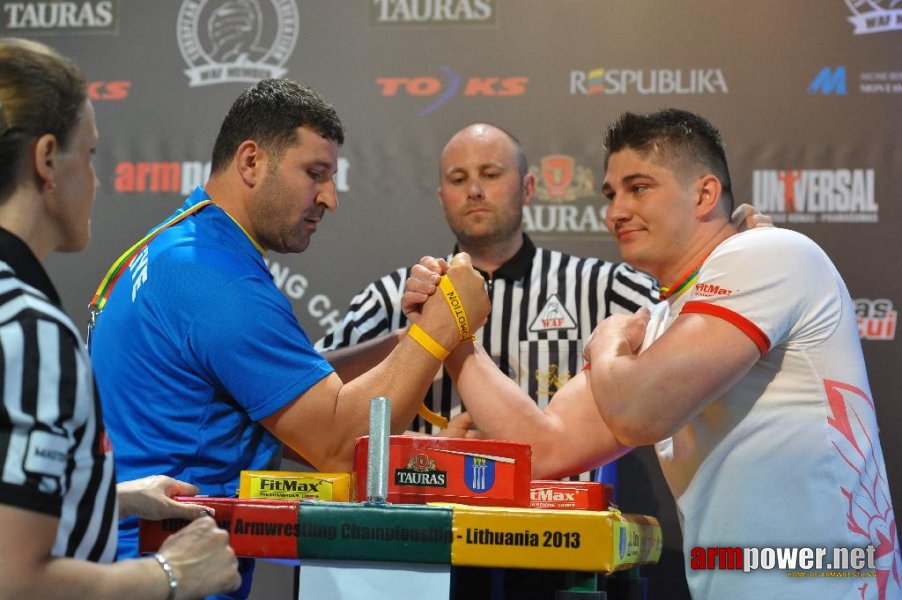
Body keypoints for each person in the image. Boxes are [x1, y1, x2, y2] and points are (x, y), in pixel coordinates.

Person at [410, 109, 902, 598]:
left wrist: (604, 344)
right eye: (611, 193)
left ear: (705, 194)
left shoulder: (768, 254)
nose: (616, 210)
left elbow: (642, 413)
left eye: (639, 187)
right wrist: (451, 334)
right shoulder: (661, 321)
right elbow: (544, 449)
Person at [88, 78, 489, 598]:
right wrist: (442, 328)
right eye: (315, 174)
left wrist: (411, 337)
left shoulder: (181, 245)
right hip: (161, 575)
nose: (330, 198)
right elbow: (337, 446)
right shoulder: (218, 281)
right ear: (252, 162)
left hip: (131, 560)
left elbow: (293, 389)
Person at [0, 37, 240, 599]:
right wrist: (173, 573)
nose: (97, 180)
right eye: (88, 155)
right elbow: (14, 578)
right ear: (46, 161)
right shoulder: (32, 332)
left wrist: (114, 494)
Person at [317, 123, 659, 484]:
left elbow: (676, 374)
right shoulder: (393, 297)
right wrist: (416, 343)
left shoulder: (606, 288)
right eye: (458, 179)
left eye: (491, 174)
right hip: (426, 526)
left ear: (528, 188)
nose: (475, 191)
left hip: (562, 529)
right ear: (441, 197)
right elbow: (311, 403)